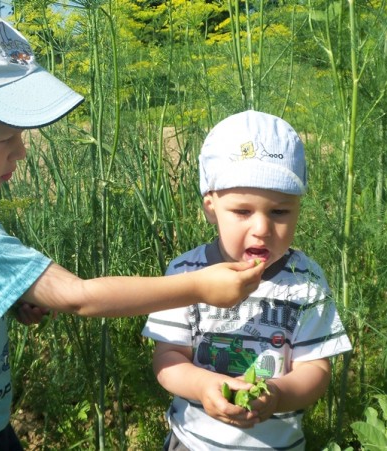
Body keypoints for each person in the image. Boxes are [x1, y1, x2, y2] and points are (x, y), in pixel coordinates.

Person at [0, 5, 267, 450]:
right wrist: (199, 286)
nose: (20, 153)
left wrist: (5, 300)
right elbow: (79, 298)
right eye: (4, 140)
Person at [142, 110, 353, 450]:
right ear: (211, 207)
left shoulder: (306, 280)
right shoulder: (185, 272)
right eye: (242, 212)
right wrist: (203, 386)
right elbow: (167, 358)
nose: (262, 229)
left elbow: (316, 371)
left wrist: (278, 394)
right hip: (194, 442)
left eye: (279, 212)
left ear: (298, 207)